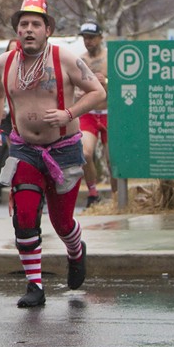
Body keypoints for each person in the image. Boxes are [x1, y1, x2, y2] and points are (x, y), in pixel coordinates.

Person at [0, 0, 106, 307]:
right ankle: (35, 286)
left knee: (61, 221)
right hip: (25, 150)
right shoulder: (5, 63)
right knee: (24, 215)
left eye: (35, 24)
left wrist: (69, 114)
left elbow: (97, 91)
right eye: (23, 24)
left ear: (46, 29)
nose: (28, 29)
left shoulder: (64, 59)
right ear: (17, 31)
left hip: (64, 149)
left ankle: (76, 251)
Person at [77, 21, 113, 208]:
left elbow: (125, 85)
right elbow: (74, 88)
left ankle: (117, 198)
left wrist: (106, 80)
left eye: (91, 37)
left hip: (110, 112)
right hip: (89, 114)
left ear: (100, 38)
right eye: (85, 38)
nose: (88, 41)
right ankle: (93, 193)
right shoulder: (80, 60)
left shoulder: (110, 58)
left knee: (112, 158)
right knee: (85, 152)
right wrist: (79, 94)